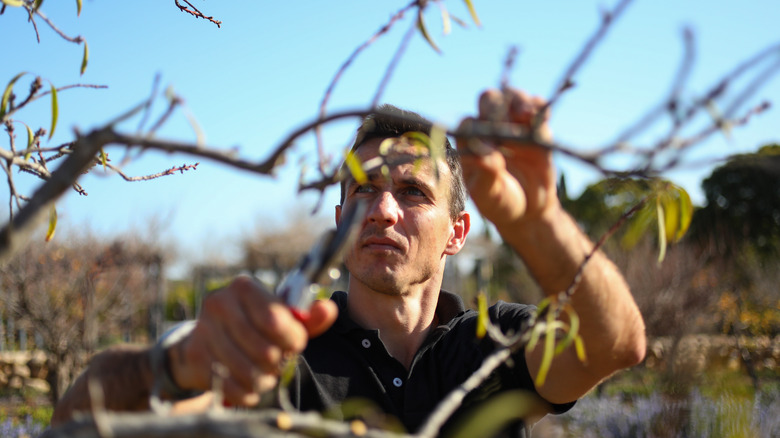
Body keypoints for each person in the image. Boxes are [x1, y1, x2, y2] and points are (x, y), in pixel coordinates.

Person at [52, 88, 646, 436]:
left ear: (457, 233)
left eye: (413, 192)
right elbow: (80, 419)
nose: (382, 210)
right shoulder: (286, 356)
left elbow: (615, 343)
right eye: (362, 189)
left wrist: (536, 219)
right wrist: (177, 362)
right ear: (339, 219)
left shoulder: (496, 343)